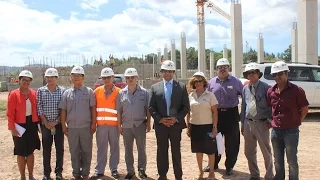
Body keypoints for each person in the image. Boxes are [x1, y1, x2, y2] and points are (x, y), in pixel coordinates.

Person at [267, 61, 309, 180]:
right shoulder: (271, 91)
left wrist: (296, 122)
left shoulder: (297, 90)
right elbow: (270, 108)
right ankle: (279, 177)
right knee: (278, 160)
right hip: (276, 131)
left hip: (291, 131)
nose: (277, 77)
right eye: (275, 74)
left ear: (287, 73)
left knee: (291, 160)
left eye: (280, 73)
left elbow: (305, 109)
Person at [149, 60, 190, 180]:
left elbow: (185, 106)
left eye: (170, 71)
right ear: (162, 72)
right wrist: (160, 120)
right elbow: (151, 107)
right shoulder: (154, 87)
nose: (167, 73)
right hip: (161, 125)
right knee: (161, 150)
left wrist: (176, 119)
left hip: (175, 125)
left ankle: (178, 175)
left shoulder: (181, 87)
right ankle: (162, 174)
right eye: (165, 71)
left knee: (176, 150)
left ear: (173, 72)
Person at [204, 58, 243, 175]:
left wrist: (243, 114)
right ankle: (213, 164)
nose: (222, 69)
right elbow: (206, 98)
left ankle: (229, 166)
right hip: (216, 115)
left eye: (225, 67)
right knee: (214, 141)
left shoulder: (236, 82)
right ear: (216, 69)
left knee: (232, 142)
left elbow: (245, 97)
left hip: (231, 114)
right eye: (220, 67)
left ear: (229, 68)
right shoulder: (211, 82)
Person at [59, 66, 96, 180]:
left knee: (86, 151)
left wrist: (93, 124)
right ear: (70, 78)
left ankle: (85, 173)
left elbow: (93, 109)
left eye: (79, 75)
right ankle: (76, 173)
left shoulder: (89, 92)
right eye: (74, 75)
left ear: (83, 77)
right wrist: (63, 126)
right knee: (74, 151)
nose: (76, 78)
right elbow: (63, 110)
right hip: (72, 128)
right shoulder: (66, 93)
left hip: (86, 127)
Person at [240, 63, 274, 180]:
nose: (251, 75)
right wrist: (242, 123)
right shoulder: (245, 88)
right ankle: (254, 175)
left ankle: (269, 176)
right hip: (248, 122)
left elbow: (272, 106)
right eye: (249, 73)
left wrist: (270, 120)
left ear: (258, 74)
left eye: (254, 72)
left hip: (262, 123)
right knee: (249, 152)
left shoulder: (267, 88)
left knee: (266, 151)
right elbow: (244, 107)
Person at [117, 68, 151, 180]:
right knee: (128, 150)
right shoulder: (121, 93)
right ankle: (130, 171)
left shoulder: (144, 93)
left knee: (141, 149)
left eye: (132, 77)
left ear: (137, 78)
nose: (130, 79)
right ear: (125, 79)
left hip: (140, 124)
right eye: (128, 78)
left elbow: (148, 109)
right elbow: (119, 111)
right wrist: (119, 125)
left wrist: (149, 123)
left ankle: (142, 170)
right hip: (126, 126)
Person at [7, 70, 40, 180]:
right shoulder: (13, 94)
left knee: (30, 151)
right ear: (19, 81)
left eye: (28, 80)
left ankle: (31, 175)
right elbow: (10, 113)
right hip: (19, 125)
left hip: (31, 124)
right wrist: (12, 127)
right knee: (20, 152)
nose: (26, 82)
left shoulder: (33, 93)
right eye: (24, 80)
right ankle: (22, 176)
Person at [186, 72, 218, 180]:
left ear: (204, 82)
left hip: (208, 127)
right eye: (196, 81)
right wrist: (188, 126)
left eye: (200, 81)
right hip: (195, 127)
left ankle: (212, 172)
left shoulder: (210, 95)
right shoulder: (190, 96)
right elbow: (188, 112)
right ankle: (200, 172)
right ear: (193, 83)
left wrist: (214, 127)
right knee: (198, 150)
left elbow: (215, 112)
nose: (198, 83)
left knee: (210, 150)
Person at [91, 67, 121, 180]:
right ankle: (99, 170)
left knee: (114, 148)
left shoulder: (119, 92)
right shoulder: (96, 91)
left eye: (109, 77)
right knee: (101, 148)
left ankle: (114, 169)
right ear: (101, 79)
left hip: (114, 126)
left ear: (113, 78)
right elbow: (93, 109)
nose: (106, 80)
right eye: (104, 78)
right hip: (101, 126)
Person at [37, 68, 65, 180]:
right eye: (48, 77)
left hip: (58, 124)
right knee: (46, 149)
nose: (50, 79)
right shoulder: (41, 91)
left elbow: (63, 109)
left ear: (56, 78)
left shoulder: (62, 91)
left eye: (52, 77)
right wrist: (46, 122)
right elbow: (39, 107)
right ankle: (46, 174)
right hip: (46, 126)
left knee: (59, 149)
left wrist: (56, 121)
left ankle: (58, 173)